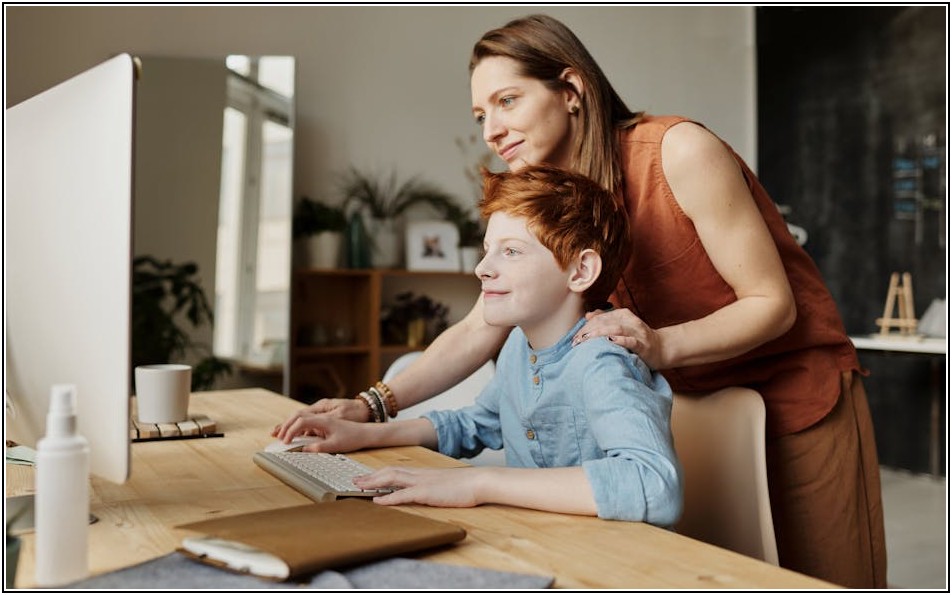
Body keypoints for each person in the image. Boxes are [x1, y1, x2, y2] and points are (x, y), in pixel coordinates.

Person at [274, 14, 885, 588]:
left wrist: (659, 343)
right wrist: (370, 405)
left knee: (824, 582)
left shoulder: (678, 151)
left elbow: (771, 303)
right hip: (687, 402)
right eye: (480, 114)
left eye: (507, 101)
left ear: (571, 88)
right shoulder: (550, 195)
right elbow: (479, 326)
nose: (491, 129)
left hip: (796, 396)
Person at [275, 165, 683, 525]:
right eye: (489, 250)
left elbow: (654, 484)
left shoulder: (602, 361)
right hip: (536, 540)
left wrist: (478, 482)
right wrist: (362, 433)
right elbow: (476, 424)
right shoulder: (518, 349)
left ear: (580, 270)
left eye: (510, 252)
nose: (482, 268)